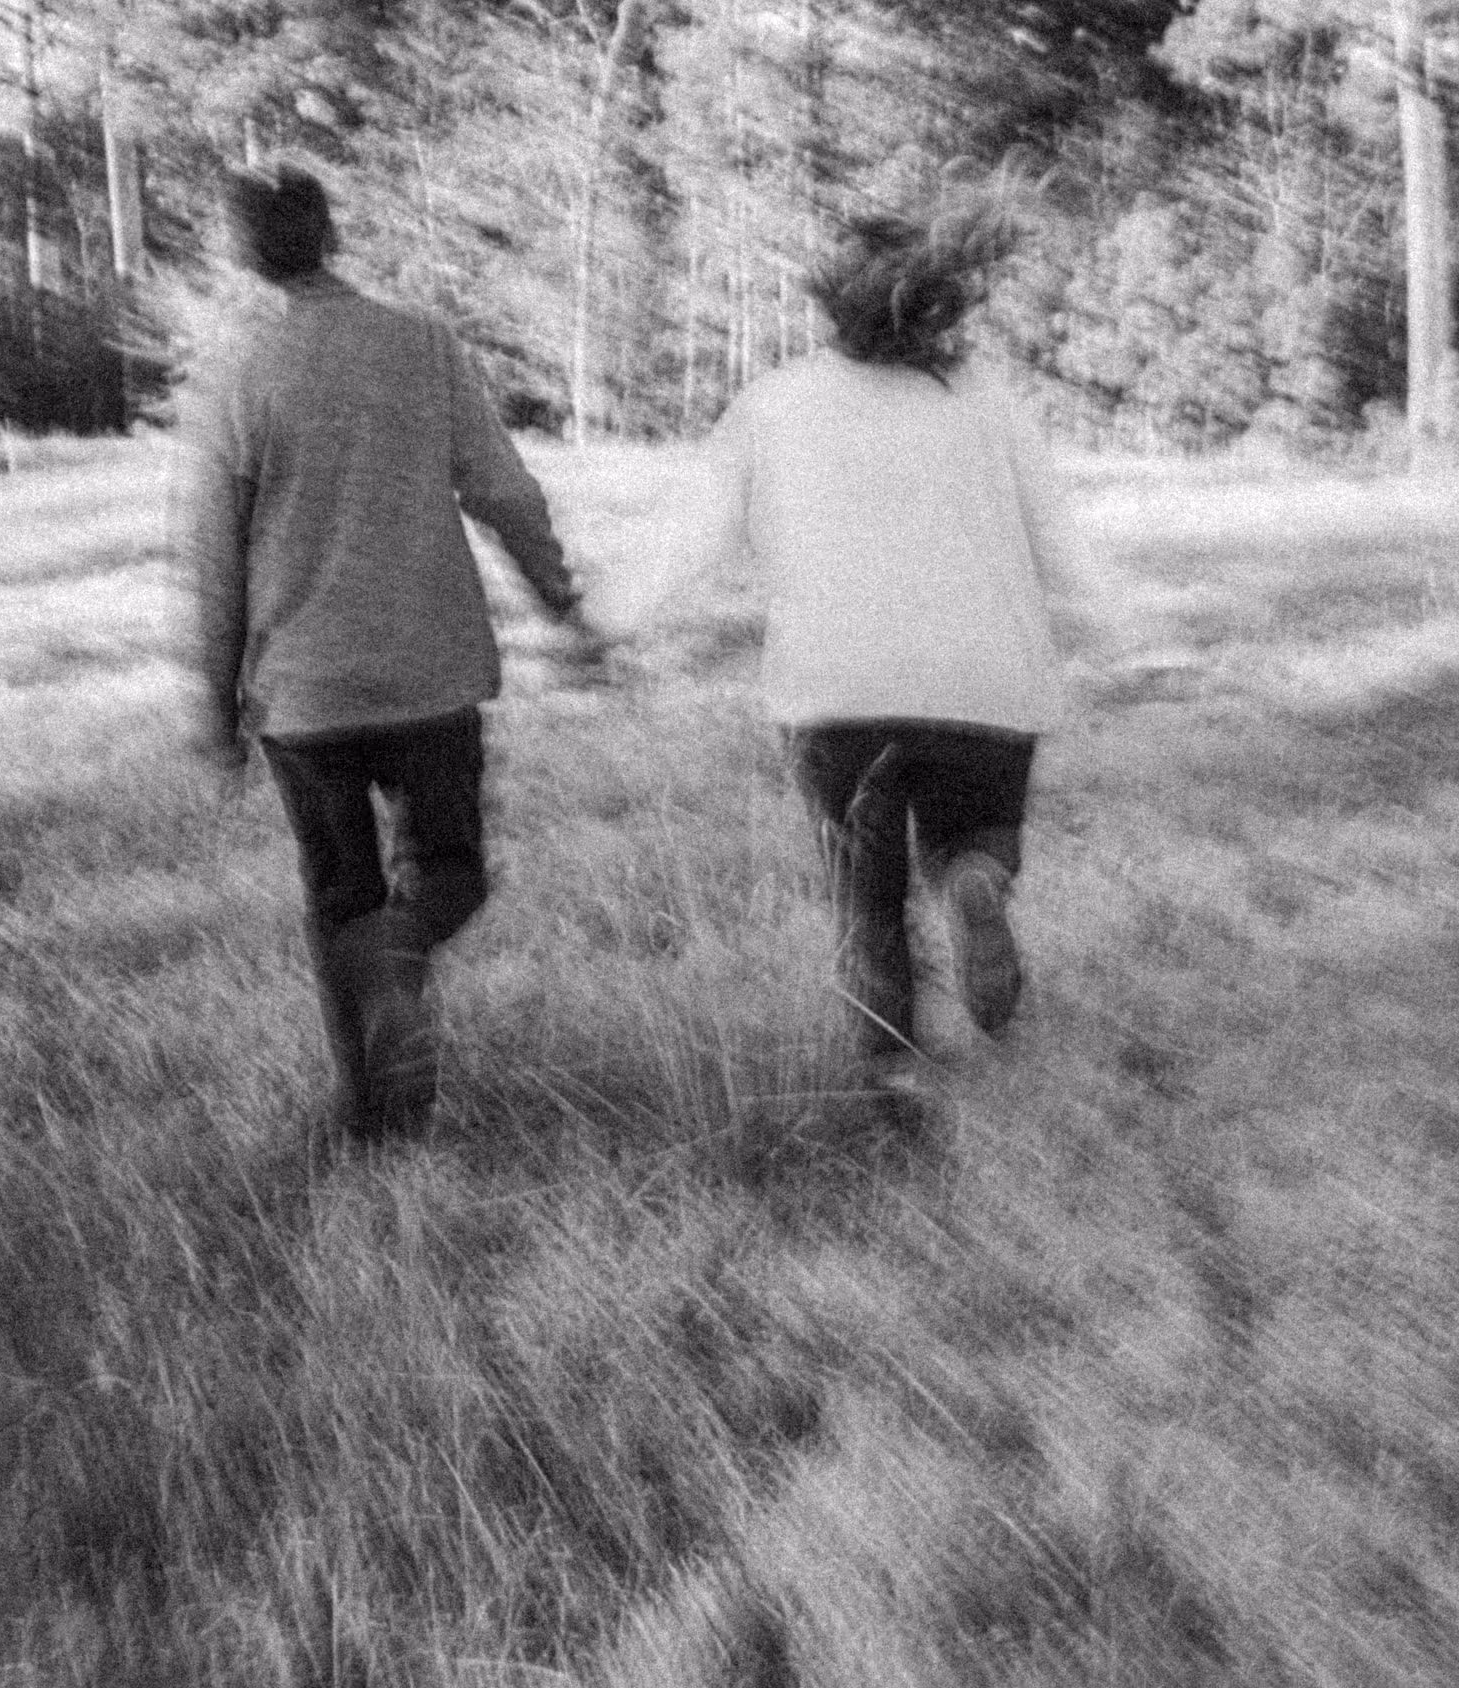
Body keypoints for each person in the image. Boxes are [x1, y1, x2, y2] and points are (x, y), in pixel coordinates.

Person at [587, 192, 1145, 1115]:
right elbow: (1063, 545)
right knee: (978, 834)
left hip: (836, 693)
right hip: (985, 682)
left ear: (831, 304)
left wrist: (599, 622)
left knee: (867, 899)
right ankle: (973, 878)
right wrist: (1132, 639)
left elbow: (687, 541)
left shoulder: (771, 403)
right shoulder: (990, 404)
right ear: (943, 304)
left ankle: (890, 1080)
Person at [187, 164, 595, 1142]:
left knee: (340, 903)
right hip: (430, 675)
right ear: (331, 234)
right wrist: (562, 605)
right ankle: (404, 961)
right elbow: (504, 489)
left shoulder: (238, 374)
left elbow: (214, 557)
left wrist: (215, 711)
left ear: (245, 253)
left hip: (304, 695)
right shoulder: (423, 345)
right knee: (449, 875)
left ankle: (378, 1117)